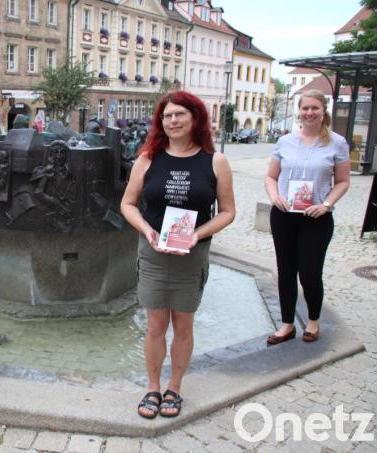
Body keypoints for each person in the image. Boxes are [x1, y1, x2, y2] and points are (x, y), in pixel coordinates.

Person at [120, 90, 235, 419]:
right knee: (156, 325)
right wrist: (146, 230)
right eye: (167, 116)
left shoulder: (215, 161)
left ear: (195, 118)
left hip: (191, 255)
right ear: (161, 122)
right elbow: (127, 204)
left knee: (183, 324)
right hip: (154, 252)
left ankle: (175, 388)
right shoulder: (148, 158)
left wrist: (197, 234)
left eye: (180, 114)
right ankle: (153, 388)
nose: (173, 120)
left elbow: (227, 212)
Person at [264, 89, 350, 345]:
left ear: (324, 111)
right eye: (305, 108)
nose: (310, 112)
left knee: (310, 272)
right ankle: (287, 324)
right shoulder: (285, 142)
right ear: (299, 111)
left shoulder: (337, 143)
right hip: (284, 215)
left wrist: (326, 204)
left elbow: (343, 182)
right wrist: (274, 196)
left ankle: (313, 320)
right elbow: (271, 177)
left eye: (315, 108)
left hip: (316, 217)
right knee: (286, 270)